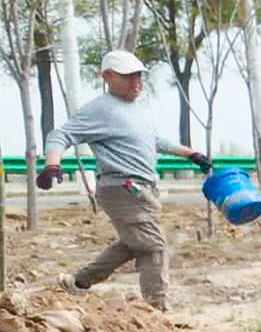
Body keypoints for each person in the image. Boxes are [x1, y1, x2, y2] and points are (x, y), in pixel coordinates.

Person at [35, 50, 213, 312]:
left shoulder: (135, 110)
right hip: (122, 188)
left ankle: (79, 282)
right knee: (154, 246)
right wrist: (53, 164)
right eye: (128, 77)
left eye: (139, 77)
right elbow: (60, 135)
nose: (136, 83)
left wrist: (191, 154)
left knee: (134, 243)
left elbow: (155, 141)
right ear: (107, 76)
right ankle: (157, 310)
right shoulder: (99, 109)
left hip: (145, 190)